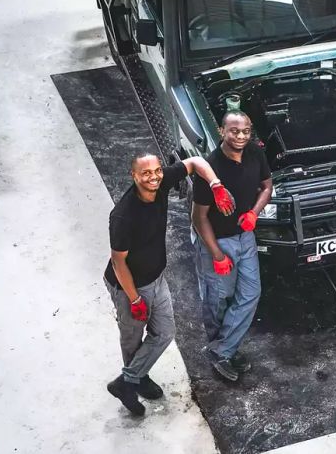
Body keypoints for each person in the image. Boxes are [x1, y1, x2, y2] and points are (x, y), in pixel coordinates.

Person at [104, 152, 236, 416]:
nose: (153, 177)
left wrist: (216, 185)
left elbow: (196, 162)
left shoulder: (162, 181)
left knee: (164, 333)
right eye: (146, 173)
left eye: (156, 171)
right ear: (134, 176)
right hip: (128, 286)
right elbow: (118, 263)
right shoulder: (123, 216)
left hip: (156, 277)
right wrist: (134, 299)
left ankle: (126, 381)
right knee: (132, 340)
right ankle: (135, 380)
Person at [192, 110, 272, 382]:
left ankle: (223, 349)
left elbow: (267, 185)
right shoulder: (211, 167)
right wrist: (216, 254)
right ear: (221, 130)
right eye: (234, 131)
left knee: (250, 294)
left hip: (245, 238)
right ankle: (223, 349)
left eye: (245, 131)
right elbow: (198, 217)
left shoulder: (255, 154)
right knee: (218, 299)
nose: (240, 136)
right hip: (218, 241)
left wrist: (254, 213)